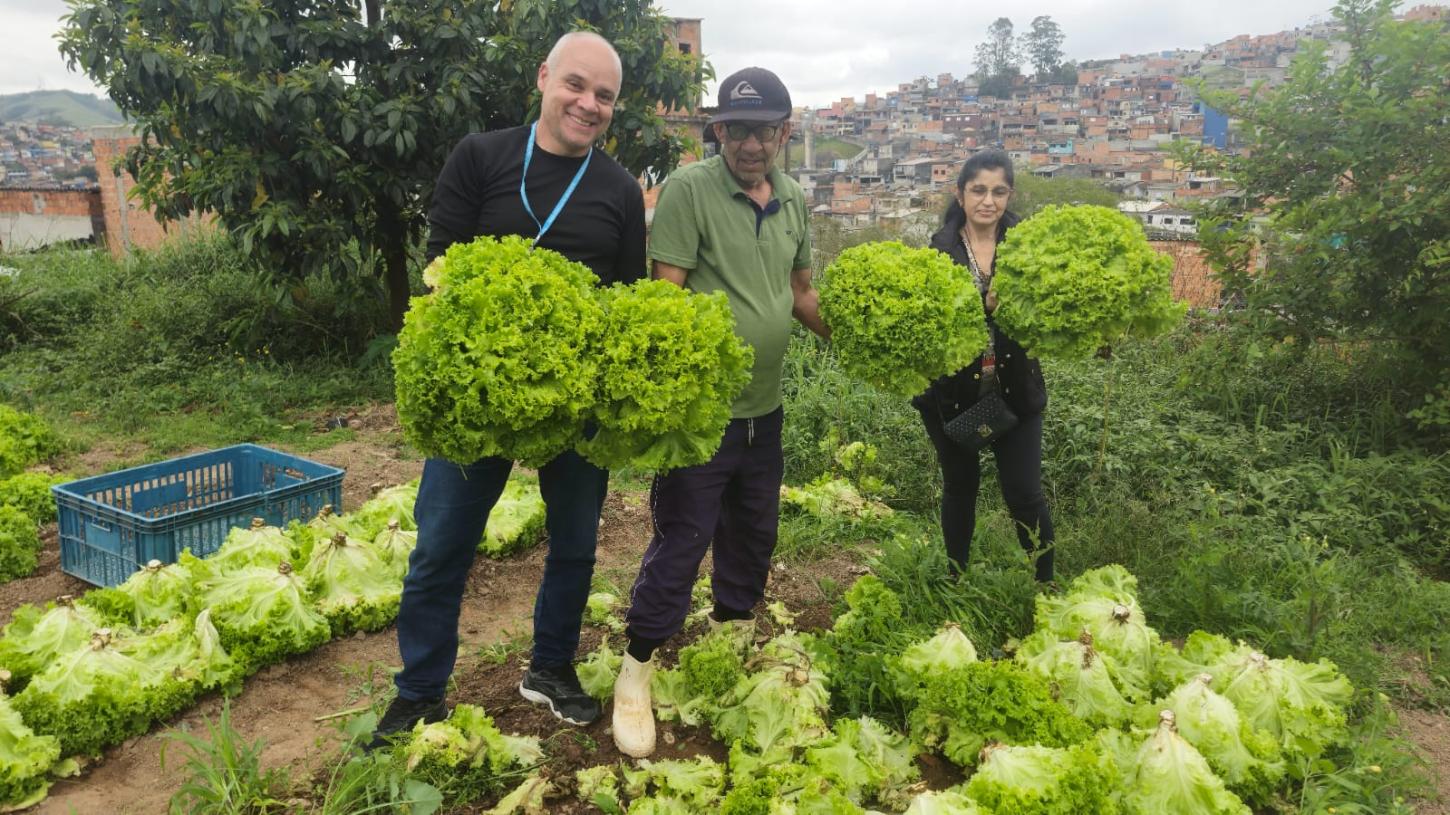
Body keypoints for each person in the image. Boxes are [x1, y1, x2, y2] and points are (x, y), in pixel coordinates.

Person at [367, 31, 646, 750]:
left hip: (577, 404)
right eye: (576, 85)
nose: (588, 104)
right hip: (481, 403)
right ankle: (419, 692)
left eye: (605, 96)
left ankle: (550, 667)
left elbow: (625, 301)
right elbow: (441, 270)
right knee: (442, 546)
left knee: (577, 543)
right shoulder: (482, 157)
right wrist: (494, 350)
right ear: (544, 77)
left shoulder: (617, 190)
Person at [610, 67, 827, 758]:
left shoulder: (792, 199)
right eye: (736, 130)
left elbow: (799, 293)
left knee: (754, 533)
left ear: (783, 133)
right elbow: (666, 300)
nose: (750, 143)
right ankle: (635, 671)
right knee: (682, 540)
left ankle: (731, 639)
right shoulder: (689, 191)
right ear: (718, 133)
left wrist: (863, 336)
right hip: (704, 415)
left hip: (766, 409)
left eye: (764, 129)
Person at [912, 149, 1054, 584]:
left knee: (1025, 494)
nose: (987, 201)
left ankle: (1044, 584)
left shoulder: (1032, 245)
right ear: (961, 194)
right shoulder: (939, 249)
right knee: (960, 488)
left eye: (998, 191)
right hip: (952, 393)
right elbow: (933, 319)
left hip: (1015, 387)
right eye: (978, 190)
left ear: (1009, 195)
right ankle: (956, 578)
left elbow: (1050, 314)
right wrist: (984, 306)